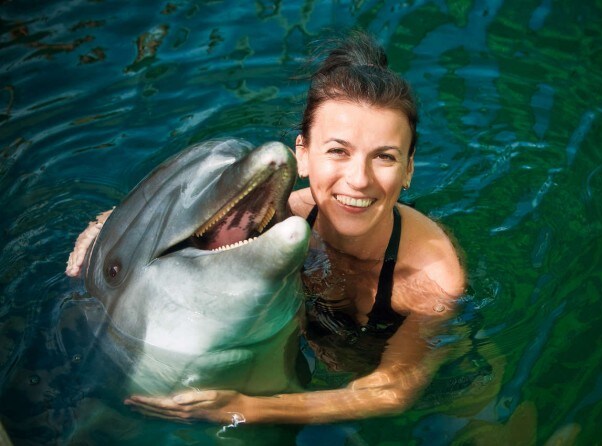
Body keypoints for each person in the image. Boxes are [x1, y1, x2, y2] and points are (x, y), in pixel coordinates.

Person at [66, 32, 466, 426]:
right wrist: (101, 227)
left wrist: (247, 409)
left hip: (431, 388)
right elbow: (182, 206)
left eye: (385, 157)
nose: (358, 180)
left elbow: (393, 391)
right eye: (337, 151)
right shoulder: (287, 210)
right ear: (302, 155)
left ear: (409, 169)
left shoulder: (433, 276)